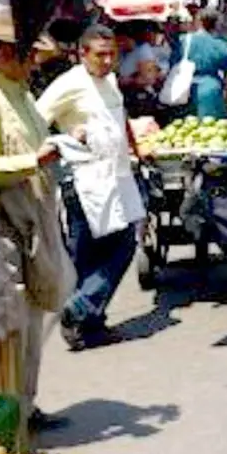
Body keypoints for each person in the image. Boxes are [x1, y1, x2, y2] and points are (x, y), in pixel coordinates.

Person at [0, 12, 72, 431]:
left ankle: (25, 405)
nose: (35, 63)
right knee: (10, 326)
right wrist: (31, 161)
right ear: (5, 53)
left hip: (31, 219)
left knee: (34, 321)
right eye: (29, 56)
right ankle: (8, 414)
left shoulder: (18, 90)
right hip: (0, 226)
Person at [37, 25, 147, 352]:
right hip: (83, 183)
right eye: (100, 54)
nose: (108, 60)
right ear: (81, 54)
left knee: (125, 242)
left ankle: (86, 313)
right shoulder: (68, 84)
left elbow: (119, 118)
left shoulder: (110, 80)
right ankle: (85, 320)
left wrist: (135, 147)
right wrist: (66, 138)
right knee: (85, 255)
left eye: (112, 53)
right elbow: (36, 120)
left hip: (116, 176)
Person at [176, 8, 227, 120]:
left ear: (199, 21)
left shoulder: (183, 41)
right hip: (211, 91)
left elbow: (174, 64)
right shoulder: (220, 45)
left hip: (185, 90)